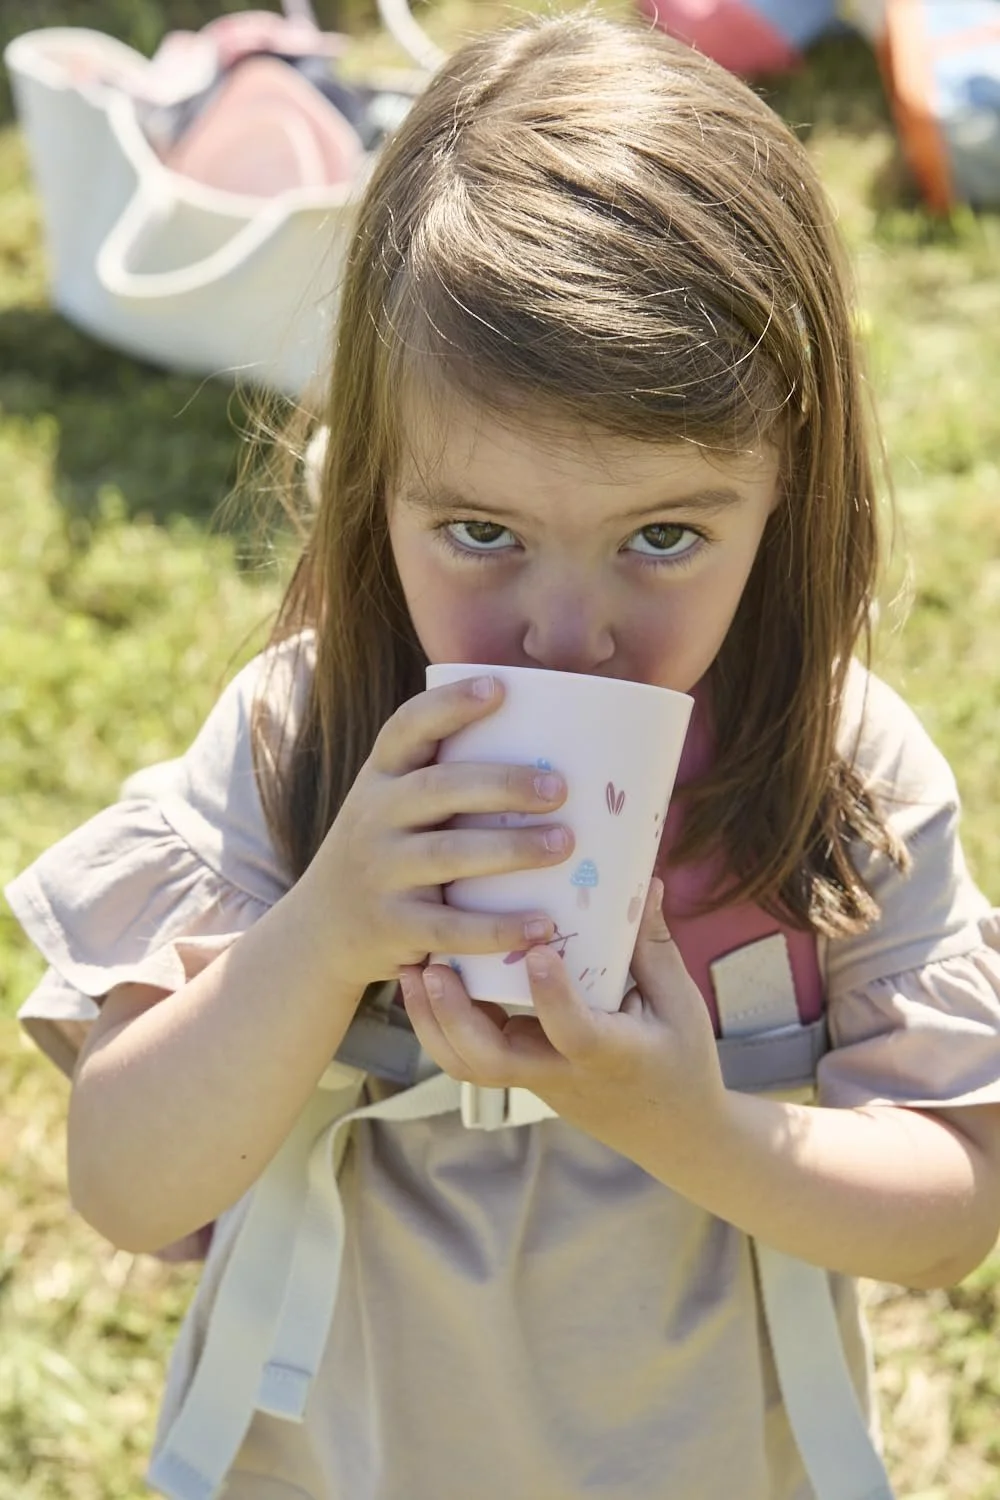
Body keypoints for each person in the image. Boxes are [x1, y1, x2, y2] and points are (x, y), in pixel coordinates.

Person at [7, 13, 1000, 1500]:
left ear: (783, 500)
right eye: (480, 532)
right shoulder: (307, 744)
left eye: (664, 537)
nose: (566, 640)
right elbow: (127, 1187)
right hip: (336, 1458)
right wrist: (321, 931)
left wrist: (686, 1125)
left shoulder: (836, 774)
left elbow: (951, 1212)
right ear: (370, 489)